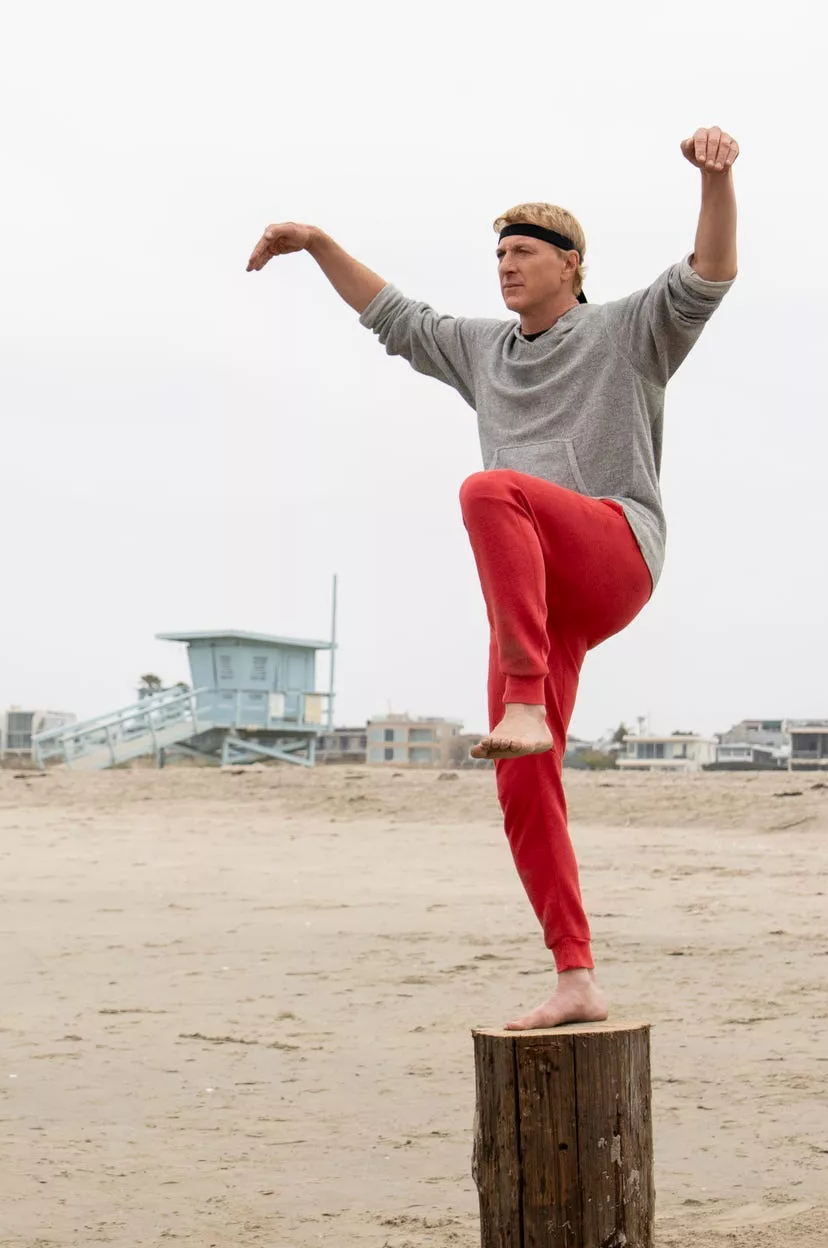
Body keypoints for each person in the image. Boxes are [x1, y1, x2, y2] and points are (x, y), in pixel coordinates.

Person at [246, 127, 741, 1031]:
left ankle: (522, 702)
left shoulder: (626, 330)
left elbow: (710, 272)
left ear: (572, 265)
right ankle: (576, 974)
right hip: (538, 604)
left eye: (523, 253)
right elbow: (395, 316)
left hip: (614, 549)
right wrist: (317, 245)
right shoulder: (485, 351)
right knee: (522, 781)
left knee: (488, 489)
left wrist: (717, 179)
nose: (506, 267)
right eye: (499, 254)